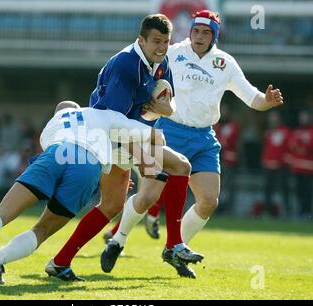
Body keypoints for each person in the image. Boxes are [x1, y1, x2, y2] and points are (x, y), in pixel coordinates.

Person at [100, 10, 284, 276]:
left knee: (209, 200)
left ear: (214, 36)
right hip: (167, 132)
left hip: (204, 139)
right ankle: (118, 239)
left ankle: (175, 249)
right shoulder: (172, 52)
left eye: (206, 32)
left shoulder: (225, 63)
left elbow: (252, 98)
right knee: (148, 196)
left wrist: (266, 101)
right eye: (196, 31)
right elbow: (141, 70)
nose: (199, 36)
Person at [0, 101, 161, 285]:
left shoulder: (51, 126)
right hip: (88, 165)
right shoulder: (99, 114)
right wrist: (148, 162)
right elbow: (154, 135)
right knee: (42, 229)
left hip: (55, 154)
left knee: (1, 212)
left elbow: (63, 158)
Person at [45, 13, 202, 281]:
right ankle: (174, 246)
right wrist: (141, 156)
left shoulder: (160, 61)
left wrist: (166, 108)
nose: (162, 47)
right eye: (155, 41)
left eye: (165, 41)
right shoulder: (126, 64)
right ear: (141, 40)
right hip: (110, 137)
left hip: (131, 136)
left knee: (113, 204)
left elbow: (169, 102)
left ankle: (60, 262)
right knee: (180, 166)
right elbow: (113, 121)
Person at [261, 111, 291, 217]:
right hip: (268, 166)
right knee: (268, 190)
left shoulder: (285, 132)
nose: (272, 120)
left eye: (274, 117)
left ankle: (287, 211)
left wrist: (283, 162)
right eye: (271, 117)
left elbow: (288, 149)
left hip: (281, 167)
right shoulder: (268, 132)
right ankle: (268, 212)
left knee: (284, 189)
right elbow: (266, 148)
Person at [287, 109, 313, 218]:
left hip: (309, 168)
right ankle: (301, 211)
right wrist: (300, 146)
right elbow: (291, 145)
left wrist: (300, 146)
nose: (303, 119)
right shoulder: (297, 131)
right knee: (299, 191)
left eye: (305, 116)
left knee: (308, 192)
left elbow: (309, 147)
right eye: (301, 117)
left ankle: (307, 212)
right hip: (297, 168)